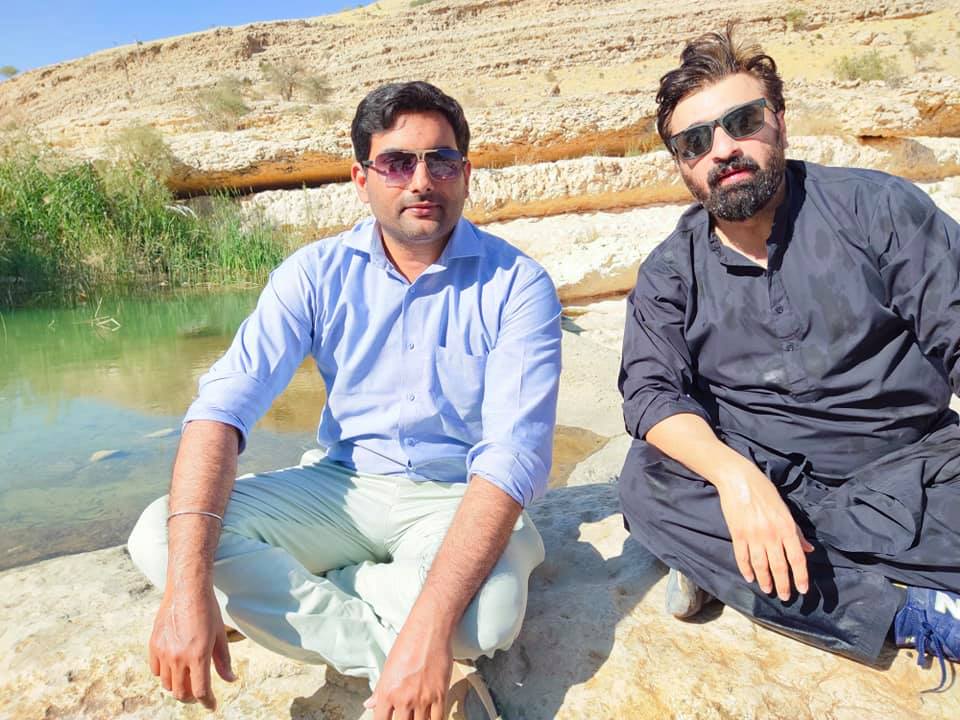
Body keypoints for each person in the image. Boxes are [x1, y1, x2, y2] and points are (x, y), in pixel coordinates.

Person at [128, 81, 562, 718]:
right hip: (342, 486)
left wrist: (431, 620)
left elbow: (512, 456)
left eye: (440, 161)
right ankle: (396, 654)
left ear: (465, 175)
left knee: (486, 624)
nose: (421, 180)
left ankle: (333, 587)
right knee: (162, 542)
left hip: (455, 497)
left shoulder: (518, 284)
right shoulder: (313, 273)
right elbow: (223, 409)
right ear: (362, 179)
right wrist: (186, 591)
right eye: (397, 162)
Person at [618, 25, 960, 689]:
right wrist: (736, 481)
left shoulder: (876, 208)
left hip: (914, 468)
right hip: (769, 479)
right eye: (695, 142)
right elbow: (652, 393)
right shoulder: (670, 271)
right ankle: (912, 612)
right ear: (682, 166)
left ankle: (731, 568)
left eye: (742, 121)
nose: (724, 150)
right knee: (647, 485)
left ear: (779, 123)